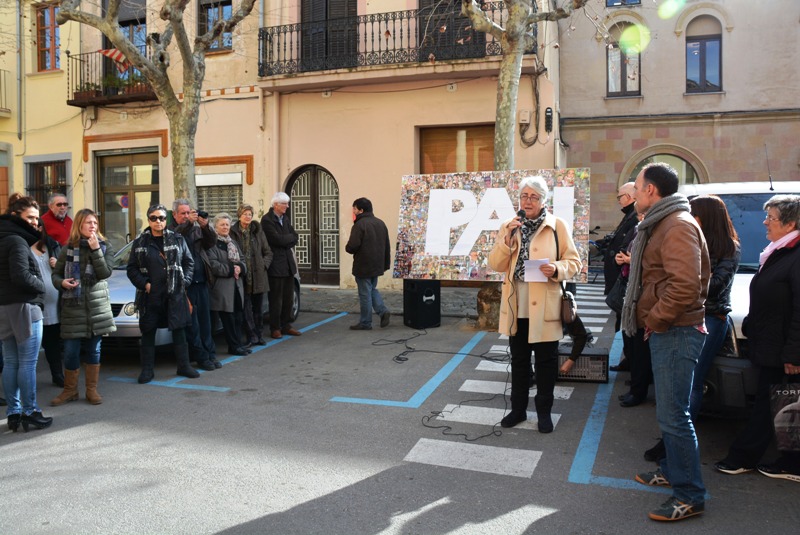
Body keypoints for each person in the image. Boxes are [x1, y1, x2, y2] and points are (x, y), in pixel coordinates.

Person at [623, 163, 710, 522]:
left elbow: (685, 284)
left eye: (638, 187)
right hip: (668, 330)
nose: (632, 194)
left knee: (674, 416)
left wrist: (655, 320)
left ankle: (690, 494)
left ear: (651, 192)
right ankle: (674, 472)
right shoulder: (664, 222)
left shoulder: (675, 225)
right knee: (670, 414)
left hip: (676, 331)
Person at [643, 195, 741, 461]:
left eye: (693, 213)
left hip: (709, 318)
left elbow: (707, 285)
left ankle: (674, 447)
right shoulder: (691, 237)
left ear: (705, 217)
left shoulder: (728, 248)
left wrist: (676, 292)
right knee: (677, 389)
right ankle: (671, 443)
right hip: (685, 316)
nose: (688, 216)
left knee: (691, 385)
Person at [715, 194, 800, 482]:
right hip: (772, 343)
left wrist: (793, 354)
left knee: (773, 404)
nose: (765, 222)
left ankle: (744, 457)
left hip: (782, 349)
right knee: (783, 404)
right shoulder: (780, 250)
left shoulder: (794, 255)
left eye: (771, 218)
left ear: (790, 224)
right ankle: (790, 462)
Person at [487, 175, 581, 433]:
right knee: (518, 361)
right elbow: (495, 264)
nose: (528, 201)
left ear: (543, 201)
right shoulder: (510, 225)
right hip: (517, 305)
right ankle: (518, 410)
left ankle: (544, 413)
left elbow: (574, 263)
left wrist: (556, 268)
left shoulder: (556, 226)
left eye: (534, 197)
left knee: (546, 363)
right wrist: (507, 241)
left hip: (546, 307)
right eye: (524, 196)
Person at [50, 209, 116, 406]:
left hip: (96, 308)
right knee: (71, 351)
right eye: (88, 222)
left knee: (94, 351)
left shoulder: (105, 247)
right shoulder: (67, 248)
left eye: (95, 223)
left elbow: (104, 272)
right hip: (73, 308)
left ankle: (91, 390)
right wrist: (62, 283)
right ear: (79, 225)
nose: (93, 226)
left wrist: (96, 250)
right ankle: (70, 390)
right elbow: (56, 275)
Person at [126, 204, 198, 383]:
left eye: (162, 218)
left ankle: (184, 366)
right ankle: (147, 370)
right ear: (149, 219)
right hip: (151, 295)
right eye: (154, 218)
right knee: (148, 331)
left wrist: (185, 281)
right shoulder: (141, 241)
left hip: (175, 293)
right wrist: (145, 284)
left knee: (179, 329)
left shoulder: (178, 239)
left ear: (167, 219)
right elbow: (132, 268)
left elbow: (189, 262)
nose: (158, 221)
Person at [0, 193, 52, 432]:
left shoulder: (6, 236)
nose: (35, 223)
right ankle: (30, 411)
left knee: (11, 362)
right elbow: (21, 275)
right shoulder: (17, 240)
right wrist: (43, 286)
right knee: (27, 363)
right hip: (24, 306)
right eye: (30, 217)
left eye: (37, 219)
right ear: (15, 215)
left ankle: (14, 413)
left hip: (4, 307)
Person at [170, 199, 218, 371]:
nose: (186, 216)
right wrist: (189, 223)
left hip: (202, 281)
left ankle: (210, 353)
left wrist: (205, 226)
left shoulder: (195, 229)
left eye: (188, 212)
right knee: (193, 326)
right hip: (185, 285)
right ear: (174, 215)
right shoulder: (171, 231)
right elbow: (176, 237)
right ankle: (201, 357)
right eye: (182, 213)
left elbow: (211, 242)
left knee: (206, 322)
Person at [599, 182, 637, 372]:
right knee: (622, 324)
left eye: (620, 197)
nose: (619, 201)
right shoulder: (630, 215)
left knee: (627, 326)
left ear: (629, 197)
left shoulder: (635, 216)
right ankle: (628, 360)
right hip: (619, 281)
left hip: (625, 283)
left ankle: (631, 361)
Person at [345, 197, 391, 331]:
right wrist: (384, 263)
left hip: (363, 265)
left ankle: (365, 322)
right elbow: (386, 245)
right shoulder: (380, 223)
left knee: (365, 293)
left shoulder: (360, 224)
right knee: (371, 289)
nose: (353, 211)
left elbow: (352, 246)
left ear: (361, 210)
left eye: (354, 208)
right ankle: (382, 311)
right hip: (377, 264)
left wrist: (348, 248)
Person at [208, 213, 250, 356]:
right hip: (222, 289)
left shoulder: (233, 243)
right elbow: (214, 265)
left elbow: (243, 259)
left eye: (227, 224)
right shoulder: (212, 243)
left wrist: (241, 268)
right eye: (222, 224)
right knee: (229, 320)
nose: (225, 227)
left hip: (237, 287)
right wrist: (233, 269)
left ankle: (237, 345)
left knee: (238, 317)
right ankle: (234, 346)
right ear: (216, 227)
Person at [231, 204, 273, 346]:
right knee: (246, 309)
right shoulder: (233, 232)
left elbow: (268, 252)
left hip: (258, 276)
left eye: (250, 214)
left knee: (258, 309)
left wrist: (264, 266)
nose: (248, 217)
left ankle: (259, 335)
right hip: (242, 277)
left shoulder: (257, 231)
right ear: (239, 216)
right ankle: (251, 336)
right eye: (245, 214)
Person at [261, 192, 301, 339]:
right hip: (276, 265)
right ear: (276, 204)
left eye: (287, 203)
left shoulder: (285, 219)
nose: (287, 206)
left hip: (288, 264)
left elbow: (294, 237)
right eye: (284, 204)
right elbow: (276, 240)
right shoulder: (267, 220)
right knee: (276, 299)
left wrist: (286, 240)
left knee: (288, 298)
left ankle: (286, 325)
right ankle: (275, 328)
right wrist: (286, 240)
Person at [31, 223, 64, 387]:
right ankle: (27, 381)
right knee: (31, 347)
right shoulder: (22, 247)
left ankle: (58, 375)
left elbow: (66, 270)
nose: (36, 229)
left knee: (53, 344)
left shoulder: (52, 245)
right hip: (33, 305)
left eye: (39, 226)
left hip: (54, 305)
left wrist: (58, 264)